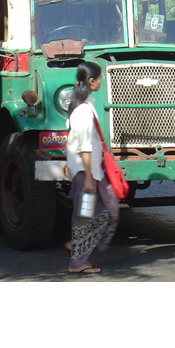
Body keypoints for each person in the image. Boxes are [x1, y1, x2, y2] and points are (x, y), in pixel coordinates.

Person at [65, 61, 119, 274]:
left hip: (92, 172)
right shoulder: (84, 111)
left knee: (105, 208)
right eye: (99, 78)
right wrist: (88, 177)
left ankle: (78, 245)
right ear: (91, 81)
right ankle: (77, 262)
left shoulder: (84, 106)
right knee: (86, 215)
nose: (101, 81)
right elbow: (85, 146)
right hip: (86, 173)